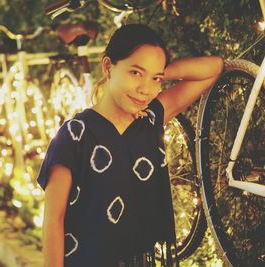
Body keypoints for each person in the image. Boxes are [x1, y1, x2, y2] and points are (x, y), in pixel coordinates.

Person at [37, 24, 223, 267]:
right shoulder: (74, 134)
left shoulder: (150, 120)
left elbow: (214, 68)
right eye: (135, 73)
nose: (145, 90)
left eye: (155, 79)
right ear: (108, 67)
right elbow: (53, 220)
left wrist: (161, 71)